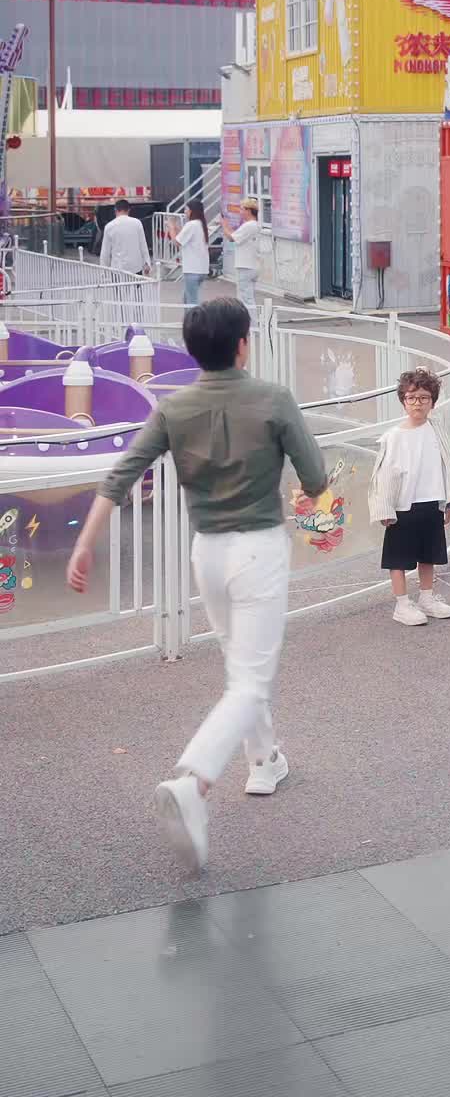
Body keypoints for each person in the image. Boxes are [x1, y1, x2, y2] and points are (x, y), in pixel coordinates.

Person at [66, 297, 328, 873]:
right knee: (251, 680)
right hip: (258, 549)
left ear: (192, 350)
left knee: (241, 668)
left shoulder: (174, 407)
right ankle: (195, 780)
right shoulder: (273, 399)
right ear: (243, 345)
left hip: (206, 551)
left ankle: (264, 761)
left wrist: (85, 543)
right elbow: (315, 477)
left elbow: (121, 474)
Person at [368, 367, 450, 626]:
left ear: (433, 402)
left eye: (423, 397)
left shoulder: (437, 431)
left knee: (429, 554)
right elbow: (383, 475)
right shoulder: (394, 437)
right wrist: (385, 509)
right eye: (411, 397)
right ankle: (402, 604)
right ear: (403, 401)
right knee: (398, 558)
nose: (417, 403)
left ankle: (426, 598)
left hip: (432, 502)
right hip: (403, 506)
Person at [221, 197, 261, 310]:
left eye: (242, 209)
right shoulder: (254, 225)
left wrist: (224, 225)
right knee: (247, 297)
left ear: (249, 210)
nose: (240, 212)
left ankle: (251, 321)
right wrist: (228, 227)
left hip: (245, 266)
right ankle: (249, 320)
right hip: (251, 265)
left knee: (245, 298)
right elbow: (235, 235)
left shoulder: (249, 225)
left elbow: (231, 238)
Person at [169, 201, 210, 306]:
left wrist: (171, 228)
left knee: (191, 301)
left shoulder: (191, 224)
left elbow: (177, 242)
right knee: (187, 298)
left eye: (186, 209)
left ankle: (195, 317)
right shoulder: (201, 224)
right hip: (202, 269)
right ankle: (190, 317)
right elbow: (185, 237)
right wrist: (176, 229)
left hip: (192, 269)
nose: (185, 212)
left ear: (192, 211)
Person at [99, 196, 151, 276]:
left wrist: (103, 271)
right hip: (135, 267)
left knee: (119, 285)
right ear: (129, 210)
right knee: (136, 284)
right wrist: (147, 263)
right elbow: (143, 245)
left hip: (117, 269)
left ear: (115, 210)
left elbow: (105, 252)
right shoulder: (137, 223)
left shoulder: (109, 227)